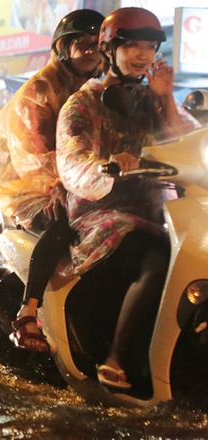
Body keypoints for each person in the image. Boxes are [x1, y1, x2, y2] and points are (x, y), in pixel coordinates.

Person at [56, 7, 201, 390]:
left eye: (150, 46)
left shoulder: (156, 99)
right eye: (132, 45)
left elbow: (189, 141)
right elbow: (72, 161)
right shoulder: (83, 103)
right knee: (156, 256)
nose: (142, 54)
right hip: (104, 212)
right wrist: (107, 165)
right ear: (109, 50)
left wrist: (166, 98)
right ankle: (117, 358)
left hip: (164, 210)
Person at [0, 9, 105, 353]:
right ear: (63, 47)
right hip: (27, 187)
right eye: (81, 44)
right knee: (63, 222)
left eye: (97, 45)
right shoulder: (39, 91)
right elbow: (32, 153)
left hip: (86, 181)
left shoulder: (101, 88)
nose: (90, 52)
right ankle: (29, 310)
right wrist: (57, 186)